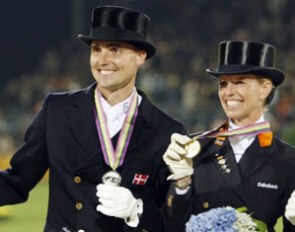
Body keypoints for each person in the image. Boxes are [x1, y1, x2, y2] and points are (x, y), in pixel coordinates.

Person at [0, 5, 186, 232]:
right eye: (96, 50)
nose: (102, 60)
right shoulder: (57, 110)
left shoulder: (166, 131)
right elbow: (16, 181)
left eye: (115, 50)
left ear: (140, 56)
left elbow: (172, 219)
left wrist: (136, 210)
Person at [162, 40, 295, 231]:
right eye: (223, 84)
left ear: (265, 89)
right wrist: (181, 185)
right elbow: (170, 225)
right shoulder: (193, 148)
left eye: (239, 82)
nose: (228, 92)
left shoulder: (289, 160)